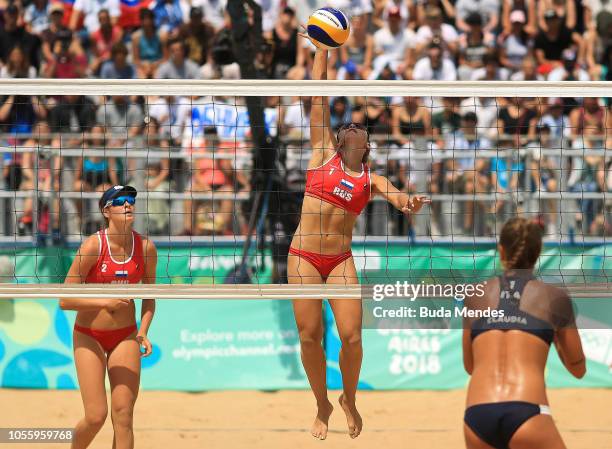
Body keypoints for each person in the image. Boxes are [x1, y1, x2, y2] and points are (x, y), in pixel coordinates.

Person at [288, 43, 430, 440]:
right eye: (345, 126)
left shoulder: (371, 178)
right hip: (302, 256)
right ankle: (322, 403)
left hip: (337, 260)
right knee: (309, 337)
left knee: (352, 336)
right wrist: (322, 50)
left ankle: (348, 397)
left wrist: (410, 203)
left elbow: (400, 198)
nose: (350, 126)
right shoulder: (321, 153)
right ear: (339, 138)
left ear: (366, 142)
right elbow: (317, 94)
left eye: (358, 127)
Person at [462, 217, 585, 449]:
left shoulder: (475, 295)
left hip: (477, 414)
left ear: (501, 251)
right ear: (538, 253)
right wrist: (556, 340)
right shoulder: (554, 298)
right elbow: (578, 369)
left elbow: (470, 366)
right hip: (527, 411)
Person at [60, 185, 157, 449]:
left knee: (123, 416)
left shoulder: (146, 247)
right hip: (89, 335)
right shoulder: (93, 245)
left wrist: (143, 331)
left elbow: (150, 295)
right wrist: (105, 301)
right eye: (121, 201)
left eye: (131, 201)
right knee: (95, 416)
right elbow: (65, 299)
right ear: (106, 211)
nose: (128, 205)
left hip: (125, 335)